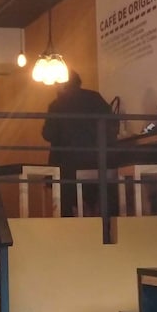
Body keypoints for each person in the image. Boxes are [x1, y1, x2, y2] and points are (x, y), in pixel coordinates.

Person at [41, 71, 118, 217]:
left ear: (61, 84)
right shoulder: (95, 98)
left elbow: (48, 134)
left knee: (64, 193)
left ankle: (69, 222)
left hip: (67, 168)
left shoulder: (57, 105)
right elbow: (112, 125)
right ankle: (103, 221)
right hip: (98, 163)